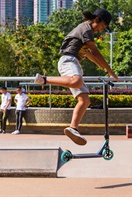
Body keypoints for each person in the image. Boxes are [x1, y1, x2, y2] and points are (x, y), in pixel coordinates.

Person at [34, 8, 119, 146]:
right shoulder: (86, 29)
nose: (101, 30)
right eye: (102, 26)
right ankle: (44, 79)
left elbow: (89, 54)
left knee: (85, 100)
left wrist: (100, 65)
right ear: (96, 20)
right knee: (77, 81)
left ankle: (73, 128)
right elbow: (95, 50)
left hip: (75, 63)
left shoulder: (85, 31)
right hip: (68, 60)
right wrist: (110, 70)